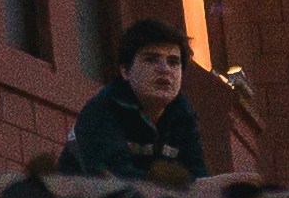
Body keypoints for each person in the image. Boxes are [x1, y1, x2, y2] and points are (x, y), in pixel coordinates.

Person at [57, 21, 208, 183]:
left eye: (173, 62)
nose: (164, 69)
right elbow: (115, 180)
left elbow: (199, 181)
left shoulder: (183, 116)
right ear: (125, 71)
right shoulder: (102, 110)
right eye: (150, 59)